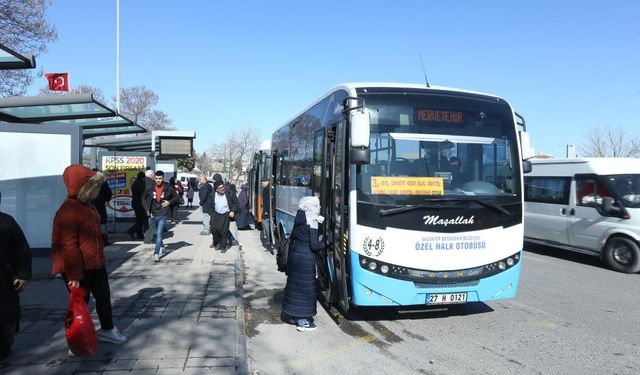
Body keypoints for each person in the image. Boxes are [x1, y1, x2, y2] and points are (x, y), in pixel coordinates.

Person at [51, 164, 127, 345]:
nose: (99, 190)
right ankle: (76, 339)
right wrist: (74, 275)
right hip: (78, 267)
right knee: (80, 302)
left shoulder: (87, 205)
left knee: (102, 296)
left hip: (94, 262)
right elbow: (68, 245)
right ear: (84, 188)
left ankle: (106, 329)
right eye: (96, 187)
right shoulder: (69, 210)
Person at [281, 196, 325, 332]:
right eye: (317, 205)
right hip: (306, 260)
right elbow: (314, 245)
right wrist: (325, 243)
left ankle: (293, 315)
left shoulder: (299, 217)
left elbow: (294, 236)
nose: (319, 208)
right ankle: (303, 321)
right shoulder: (312, 221)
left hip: (296, 257)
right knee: (305, 290)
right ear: (312, 207)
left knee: (295, 287)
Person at [0, 190, 32, 360]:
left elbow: (22, 250)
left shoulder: (6, 221)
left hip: (4, 279)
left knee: (7, 317)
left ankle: (5, 346)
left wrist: (23, 274)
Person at [142, 170, 179, 262]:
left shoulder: (168, 187)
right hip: (153, 213)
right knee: (157, 233)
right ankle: (161, 245)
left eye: (160, 178)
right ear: (154, 178)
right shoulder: (150, 187)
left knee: (159, 234)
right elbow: (143, 198)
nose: (158, 180)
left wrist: (169, 202)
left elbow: (176, 197)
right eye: (156, 178)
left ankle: (156, 253)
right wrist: (147, 209)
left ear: (163, 178)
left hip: (163, 213)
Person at [207, 180, 238, 252]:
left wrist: (233, 211)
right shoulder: (212, 195)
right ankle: (218, 243)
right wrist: (211, 214)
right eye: (219, 188)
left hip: (225, 214)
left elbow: (236, 202)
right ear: (216, 189)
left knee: (224, 231)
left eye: (222, 187)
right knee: (214, 230)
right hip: (215, 214)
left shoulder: (229, 193)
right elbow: (209, 205)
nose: (222, 189)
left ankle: (223, 246)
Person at [92, 169, 113, 246]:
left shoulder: (87, 183)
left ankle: (93, 240)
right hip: (100, 206)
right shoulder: (103, 183)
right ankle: (104, 240)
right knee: (102, 223)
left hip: (90, 207)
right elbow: (109, 194)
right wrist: (105, 199)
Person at [126, 171, 147, 240]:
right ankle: (131, 231)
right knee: (141, 220)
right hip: (140, 204)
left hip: (135, 203)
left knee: (139, 219)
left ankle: (139, 234)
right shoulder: (141, 183)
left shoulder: (135, 183)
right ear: (143, 177)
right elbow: (143, 194)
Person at [142, 169, 156, 244]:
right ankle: (148, 239)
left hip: (139, 206)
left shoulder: (139, 182)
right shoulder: (152, 183)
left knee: (144, 222)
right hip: (149, 206)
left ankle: (146, 237)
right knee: (150, 223)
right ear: (151, 175)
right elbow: (152, 196)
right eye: (153, 175)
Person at [260, 177, 271, 245]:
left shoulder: (268, 189)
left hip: (267, 210)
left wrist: (266, 210)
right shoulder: (267, 188)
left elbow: (268, 201)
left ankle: (268, 239)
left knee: (265, 223)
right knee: (265, 223)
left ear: (266, 182)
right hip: (266, 210)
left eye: (262, 183)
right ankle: (268, 238)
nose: (261, 184)